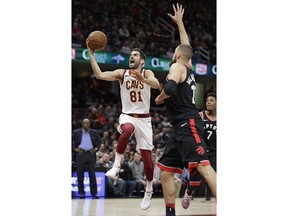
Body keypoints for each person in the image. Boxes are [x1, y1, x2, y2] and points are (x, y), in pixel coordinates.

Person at [154, 4, 216, 216]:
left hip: (188, 123)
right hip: (180, 126)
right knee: (165, 172)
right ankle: (170, 213)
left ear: (179, 56)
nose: (172, 53)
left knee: (204, 167)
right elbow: (186, 46)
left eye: (174, 52)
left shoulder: (176, 66)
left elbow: (170, 88)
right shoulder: (187, 66)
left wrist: (160, 97)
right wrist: (180, 24)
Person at [86, 40, 160, 209]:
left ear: (142, 61)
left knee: (148, 162)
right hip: (127, 115)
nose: (131, 57)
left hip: (144, 119)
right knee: (127, 129)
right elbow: (100, 75)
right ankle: (116, 166)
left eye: (135, 55)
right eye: (130, 55)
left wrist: (143, 79)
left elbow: (156, 84)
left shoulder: (147, 73)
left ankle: (148, 189)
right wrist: (91, 55)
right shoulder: (122, 73)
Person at [188, 92, 217, 201]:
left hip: (215, 152)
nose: (208, 102)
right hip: (201, 151)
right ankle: (189, 191)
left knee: (214, 176)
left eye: (211, 100)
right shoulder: (200, 115)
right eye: (207, 100)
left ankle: (212, 197)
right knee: (196, 178)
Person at [72, 118, 101, 199]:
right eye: (84, 123)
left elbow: (99, 141)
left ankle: (94, 193)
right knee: (80, 174)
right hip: (80, 154)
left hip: (90, 154)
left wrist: (96, 149)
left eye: (87, 123)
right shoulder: (76, 132)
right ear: (82, 124)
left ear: (89, 124)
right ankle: (81, 193)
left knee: (92, 174)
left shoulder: (94, 132)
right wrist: (74, 149)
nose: (86, 124)